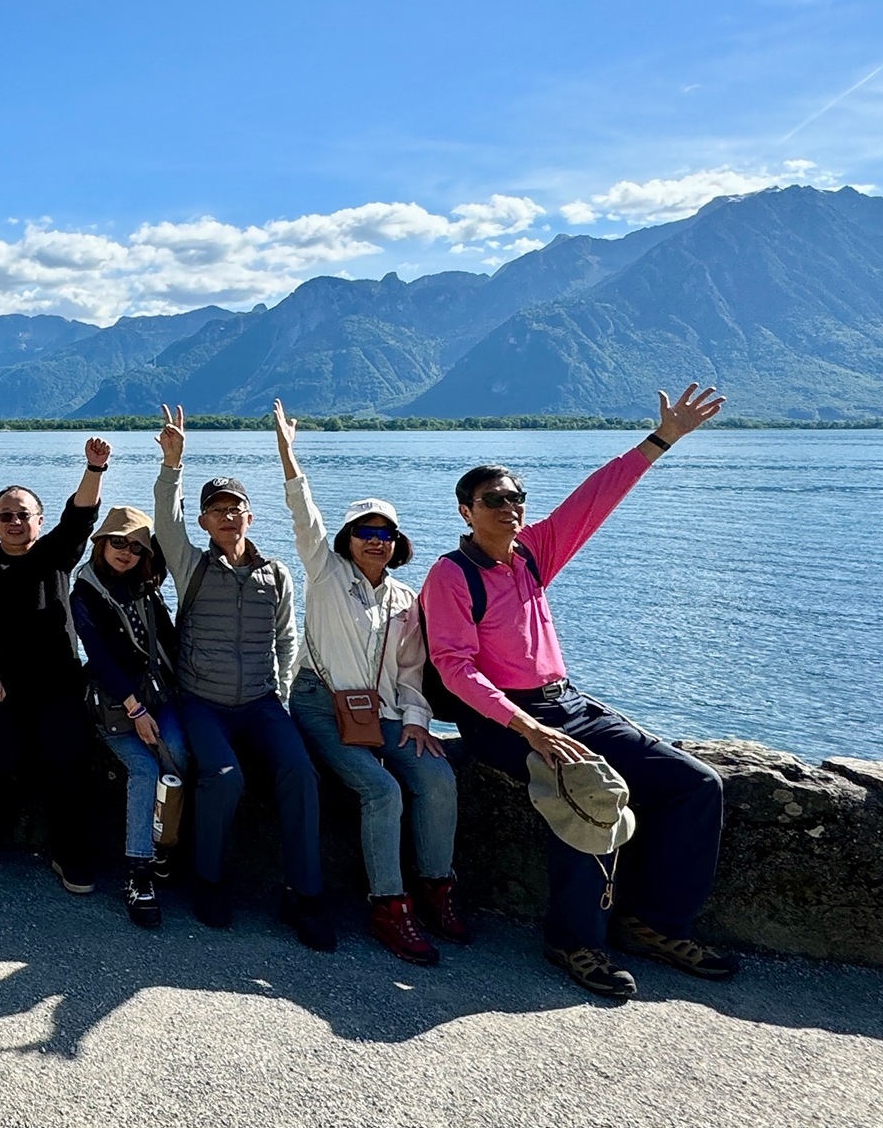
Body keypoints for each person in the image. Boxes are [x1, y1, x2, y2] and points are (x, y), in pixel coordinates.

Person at [423, 385, 738, 1000]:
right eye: (494, 500)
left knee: (696, 784)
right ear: (466, 510)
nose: (509, 509)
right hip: (501, 720)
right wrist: (529, 728)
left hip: (567, 702)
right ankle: (574, 941)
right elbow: (455, 667)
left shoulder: (533, 554)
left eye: (516, 499)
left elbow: (595, 497)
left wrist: (663, 438)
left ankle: (655, 924)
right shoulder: (450, 575)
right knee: (584, 789)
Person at [272, 400, 465, 966]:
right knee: (379, 790)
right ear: (348, 539)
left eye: (384, 532)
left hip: (379, 713)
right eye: (363, 531)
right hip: (318, 706)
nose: (374, 540)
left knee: (436, 775)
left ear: (396, 541)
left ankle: (435, 887)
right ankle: (388, 905)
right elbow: (303, 514)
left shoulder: (406, 600)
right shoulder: (325, 572)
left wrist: (415, 723)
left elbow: (411, 673)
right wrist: (288, 451)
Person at [154, 406, 331, 950]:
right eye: (217, 510)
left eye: (237, 508)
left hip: (260, 703)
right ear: (204, 522)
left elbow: (286, 640)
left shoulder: (274, 574)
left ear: (250, 518)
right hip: (202, 704)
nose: (228, 517)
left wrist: (277, 694)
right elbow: (165, 522)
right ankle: (209, 881)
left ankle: (304, 894)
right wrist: (172, 465)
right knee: (224, 777)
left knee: (301, 773)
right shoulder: (192, 567)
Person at [0, 437, 110, 890]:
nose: (16, 522)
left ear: (39, 521)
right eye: (7, 515)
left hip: (56, 686)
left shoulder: (54, 555)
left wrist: (94, 468)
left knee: (65, 763)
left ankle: (68, 853)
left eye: (24, 514)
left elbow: (80, 518)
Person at [71, 506, 189, 929]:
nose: (126, 552)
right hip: (115, 704)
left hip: (161, 695)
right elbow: (99, 658)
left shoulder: (147, 587)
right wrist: (135, 710)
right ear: (101, 544)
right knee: (143, 767)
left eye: (136, 546)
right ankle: (139, 873)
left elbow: (169, 642)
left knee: (176, 752)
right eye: (117, 542)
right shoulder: (84, 592)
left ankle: (163, 845)